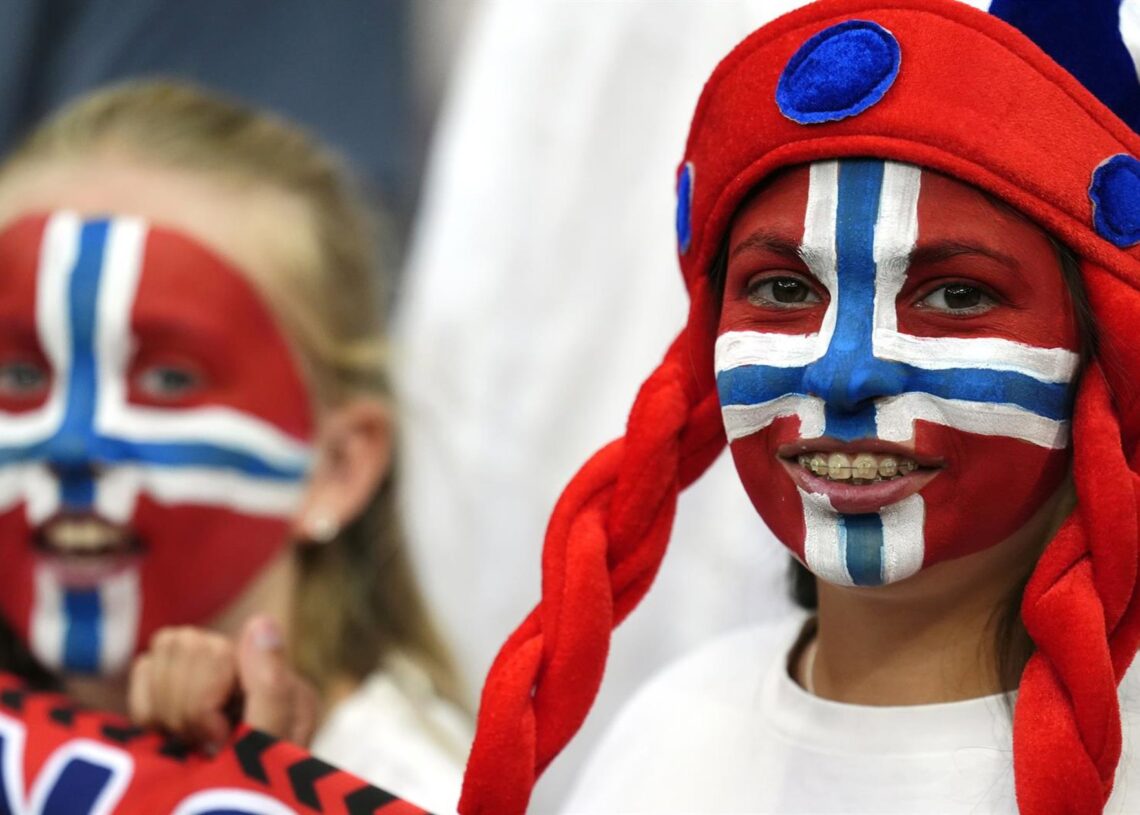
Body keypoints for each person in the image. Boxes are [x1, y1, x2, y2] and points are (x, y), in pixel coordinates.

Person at [454, 1, 1140, 813]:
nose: (844, 372)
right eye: (783, 289)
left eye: (956, 294)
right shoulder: (669, 732)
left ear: (1109, 360)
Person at [0, 79, 470, 813]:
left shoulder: (411, 788)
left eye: (166, 377)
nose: (70, 440)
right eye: (23, 373)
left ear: (338, 465)